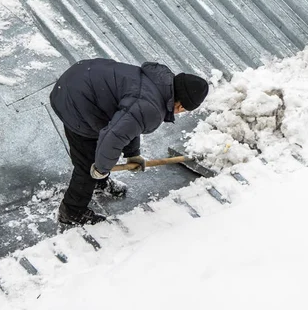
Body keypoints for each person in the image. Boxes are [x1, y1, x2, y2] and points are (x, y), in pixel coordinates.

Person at [49, 58, 209, 225]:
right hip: (75, 100)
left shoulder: (157, 83)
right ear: (181, 106)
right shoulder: (151, 107)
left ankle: (98, 182)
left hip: (81, 78)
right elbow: (114, 136)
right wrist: (100, 168)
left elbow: (130, 120)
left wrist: (133, 154)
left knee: (103, 145)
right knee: (87, 163)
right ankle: (72, 211)